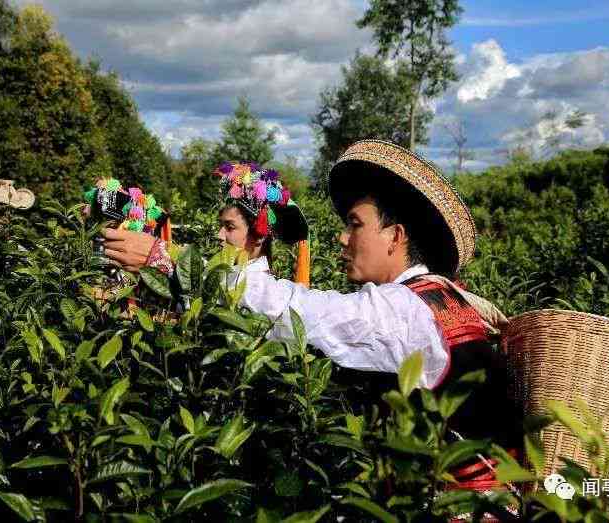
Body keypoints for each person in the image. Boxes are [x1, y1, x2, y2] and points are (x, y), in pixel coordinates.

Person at [104, 141, 519, 488]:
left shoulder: (404, 310)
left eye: (355, 225)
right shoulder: (439, 298)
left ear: (395, 237)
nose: (342, 236)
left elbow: (300, 314)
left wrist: (174, 262)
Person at [102, 161, 310, 286]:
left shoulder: (258, 288)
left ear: (260, 235)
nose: (220, 235)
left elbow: (210, 282)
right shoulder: (226, 273)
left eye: (230, 227)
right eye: (221, 226)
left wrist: (160, 257)